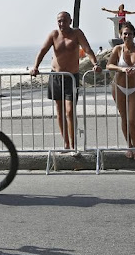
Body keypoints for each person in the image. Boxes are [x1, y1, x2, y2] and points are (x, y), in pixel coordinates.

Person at [30, 11, 102, 153]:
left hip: (71, 77)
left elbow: (87, 49)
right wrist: (35, 67)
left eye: (64, 21)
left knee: (69, 111)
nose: (61, 24)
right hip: (56, 76)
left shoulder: (77, 34)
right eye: (59, 21)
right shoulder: (54, 34)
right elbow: (43, 50)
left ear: (70, 20)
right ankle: (66, 143)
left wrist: (95, 63)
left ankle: (74, 144)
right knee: (60, 111)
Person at [106, 22, 135, 160]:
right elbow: (109, 65)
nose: (127, 36)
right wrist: (121, 69)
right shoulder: (117, 49)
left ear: (134, 34)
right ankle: (129, 146)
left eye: (130, 33)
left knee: (132, 119)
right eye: (124, 33)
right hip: (119, 87)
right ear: (121, 35)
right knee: (124, 118)